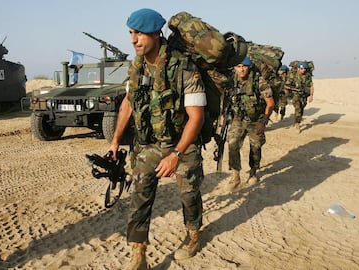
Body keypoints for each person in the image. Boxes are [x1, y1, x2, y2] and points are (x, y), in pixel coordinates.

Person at [107, 8, 206, 269]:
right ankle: (138, 253)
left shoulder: (184, 66)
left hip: (182, 142)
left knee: (189, 193)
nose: (133, 39)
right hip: (150, 144)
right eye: (131, 33)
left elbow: (196, 117)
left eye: (138, 33)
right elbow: (128, 103)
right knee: (140, 195)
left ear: (154, 33)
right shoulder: (136, 66)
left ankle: (193, 233)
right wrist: (115, 140)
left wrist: (176, 154)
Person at [221, 57, 274, 191]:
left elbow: (270, 103)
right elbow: (225, 98)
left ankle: (253, 171)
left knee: (255, 147)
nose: (241, 69)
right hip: (238, 119)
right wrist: (223, 115)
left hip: (256, 119)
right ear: (234, 68)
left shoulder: (259, 81)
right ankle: (235, 175)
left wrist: (264, 121)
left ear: (249, 67)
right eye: (238, 66)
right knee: (232, 143)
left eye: (244, 66)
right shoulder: (232, 81)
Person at [284, 61, 314, 132]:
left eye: (305, 69)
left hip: (304, 95)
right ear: (298, 68)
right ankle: (297, 124)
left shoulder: (307, 76)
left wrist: (311, 95)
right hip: (296, 94)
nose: (304, 70)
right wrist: (293, 88)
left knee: (302, 108)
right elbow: (286, 86)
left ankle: (297, 120)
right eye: (302, 68)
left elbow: (311, 86)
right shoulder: (293, 75)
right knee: (298, 108)